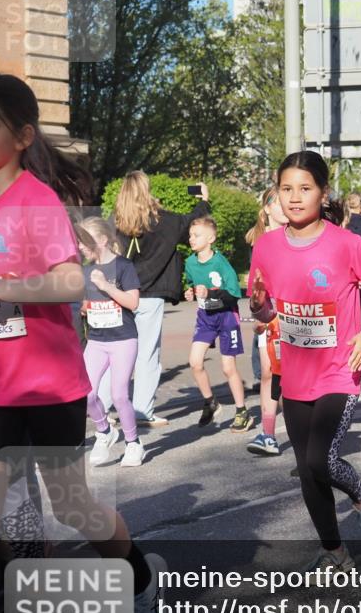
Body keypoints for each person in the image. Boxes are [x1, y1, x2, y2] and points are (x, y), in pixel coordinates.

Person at [0, 74, 165, 613]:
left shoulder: (36, 202)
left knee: (70, 507)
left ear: (22, 137)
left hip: (45, 384)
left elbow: (68, 281)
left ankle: (136, 580)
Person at [249, 150, 361, 572]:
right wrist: (259, 308)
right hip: (295, 372)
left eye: (305, 188)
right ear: (276, 193)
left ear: (323, 192)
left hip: (340, 369)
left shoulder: (345, 243)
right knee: (307, 471)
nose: (294, 198)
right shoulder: (266, 246)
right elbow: (265, 312)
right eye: (286, 189)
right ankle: (334, 551)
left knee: (321, 460)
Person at [107, 170, 211, 426]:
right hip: (151, 297)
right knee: (147, 355)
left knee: (114, 353)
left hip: (120, 294)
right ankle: (142, 410)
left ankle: (102, 405)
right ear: (147, 190)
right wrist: (204, 201)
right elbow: (192, 222)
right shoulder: (163, 221)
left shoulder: (115, 221)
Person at [78, 217, 146, 466]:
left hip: (123, 339)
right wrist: (85, 307)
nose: (81, 246)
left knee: (119, 395)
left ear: (103, 240)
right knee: (86, 393)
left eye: (86, 240)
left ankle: (133, 443)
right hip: (96, 340)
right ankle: (105, 431)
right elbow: (86, 304)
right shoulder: (85, 271)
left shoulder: (124, 266)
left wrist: (106, 286)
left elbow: (133, 302)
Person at [183, 217, 253, 432]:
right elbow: (191, 283)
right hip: (205, 317)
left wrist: (212, 293)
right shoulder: (190, 262)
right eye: (190, 235)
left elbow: (234, 294)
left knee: (227, 367)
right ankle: (210, 402)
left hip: (226, 317)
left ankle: (242, 411)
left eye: (196, 235)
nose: (191, 239)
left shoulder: (221, 263)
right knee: (195, 362)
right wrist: (188, 292)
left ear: (211, 239)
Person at [245, 187, 288, 455]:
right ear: (267, 209)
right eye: (279, 202)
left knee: (296, 377)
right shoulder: (260, 243)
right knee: (268, 372)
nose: (286, 206)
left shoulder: (297, 237)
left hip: (299, 317)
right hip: (271, 320)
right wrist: (258, 313)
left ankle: (310, 433)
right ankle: (267, 434)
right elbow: (255, 286)